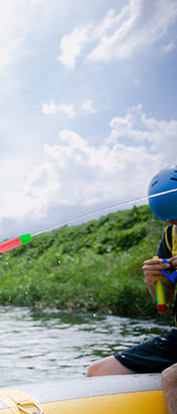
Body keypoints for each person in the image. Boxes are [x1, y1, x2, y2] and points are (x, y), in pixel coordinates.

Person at [87, 165, 177, 412]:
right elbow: (164, 301)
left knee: (173, 378)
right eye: (170, 219)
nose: (173, 223)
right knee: (98, 372)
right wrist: (154, 280)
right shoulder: (170, 235)